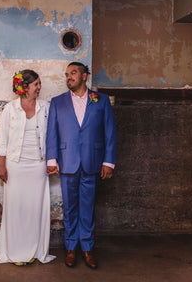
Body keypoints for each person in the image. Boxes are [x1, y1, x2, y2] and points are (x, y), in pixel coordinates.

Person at [46, 62, 116, 269]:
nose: (69, 77)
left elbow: (110, 132)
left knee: (88, 208)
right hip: (67, 163)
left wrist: (108, 162)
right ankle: (70, 248)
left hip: (93, 162)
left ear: (84, 76)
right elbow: (52, 133)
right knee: (70, 208)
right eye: (67, 74)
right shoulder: (57, 102)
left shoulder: (100, 100)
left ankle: (87, 248)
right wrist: (52, 160)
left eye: (73, 73)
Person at [0, 69, 56, 266]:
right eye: (36, 84)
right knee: (16, 209)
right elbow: (2, 140)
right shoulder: (10, 109)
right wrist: (2, 166)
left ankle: (33, 250)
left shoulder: (46, 108)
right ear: (24, 87)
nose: (39, 87)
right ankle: (15, 251)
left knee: (34, 210)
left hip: (38, 166)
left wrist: (51, 161)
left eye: (39, 83)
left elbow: (54, 136)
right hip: (15, 166)